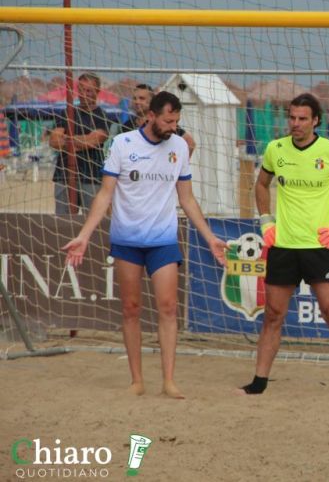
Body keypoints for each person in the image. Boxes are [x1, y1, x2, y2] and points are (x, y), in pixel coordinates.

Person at [62, 91, 227, 399]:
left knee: (168, 307)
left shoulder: (179, 145)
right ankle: (136, 380)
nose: (173, 126)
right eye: (168, 120)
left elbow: (187, 199)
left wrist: (210, 237)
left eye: (177, 120)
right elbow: (105, 195)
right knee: (131, 308)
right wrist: (84, 235)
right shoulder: (123, 144)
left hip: (164, 239)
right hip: (127, 239)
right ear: (150, 115)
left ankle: (169, 380)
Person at [238, 93, 329, 397]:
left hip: (319, 248)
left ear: (315, 121)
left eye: (302, 119)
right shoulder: (276, 149)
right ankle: (258, 383)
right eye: (292, 117)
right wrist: (266, 222)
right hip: (283, 246)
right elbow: (261, 184)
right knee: (273, 315)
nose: (295, 124)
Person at [45, 72, 110, 214]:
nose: (84, 94)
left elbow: (95, 140)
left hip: (91, 175)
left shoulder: (103, 116)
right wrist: (83, 140)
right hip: (64, 174)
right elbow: (54, 141)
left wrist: (67, 139)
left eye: (89, 91)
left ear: (97, 92)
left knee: (93, 220)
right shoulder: (66, 113)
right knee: (63, 222)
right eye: (81, 90)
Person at [121, 83, 196, 157]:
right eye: (134, 98)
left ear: (151, 101)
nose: (137, 102)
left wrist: (180, 163)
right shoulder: (127, 125)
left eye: (142, 98)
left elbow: (190, 142)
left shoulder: (165, 125)